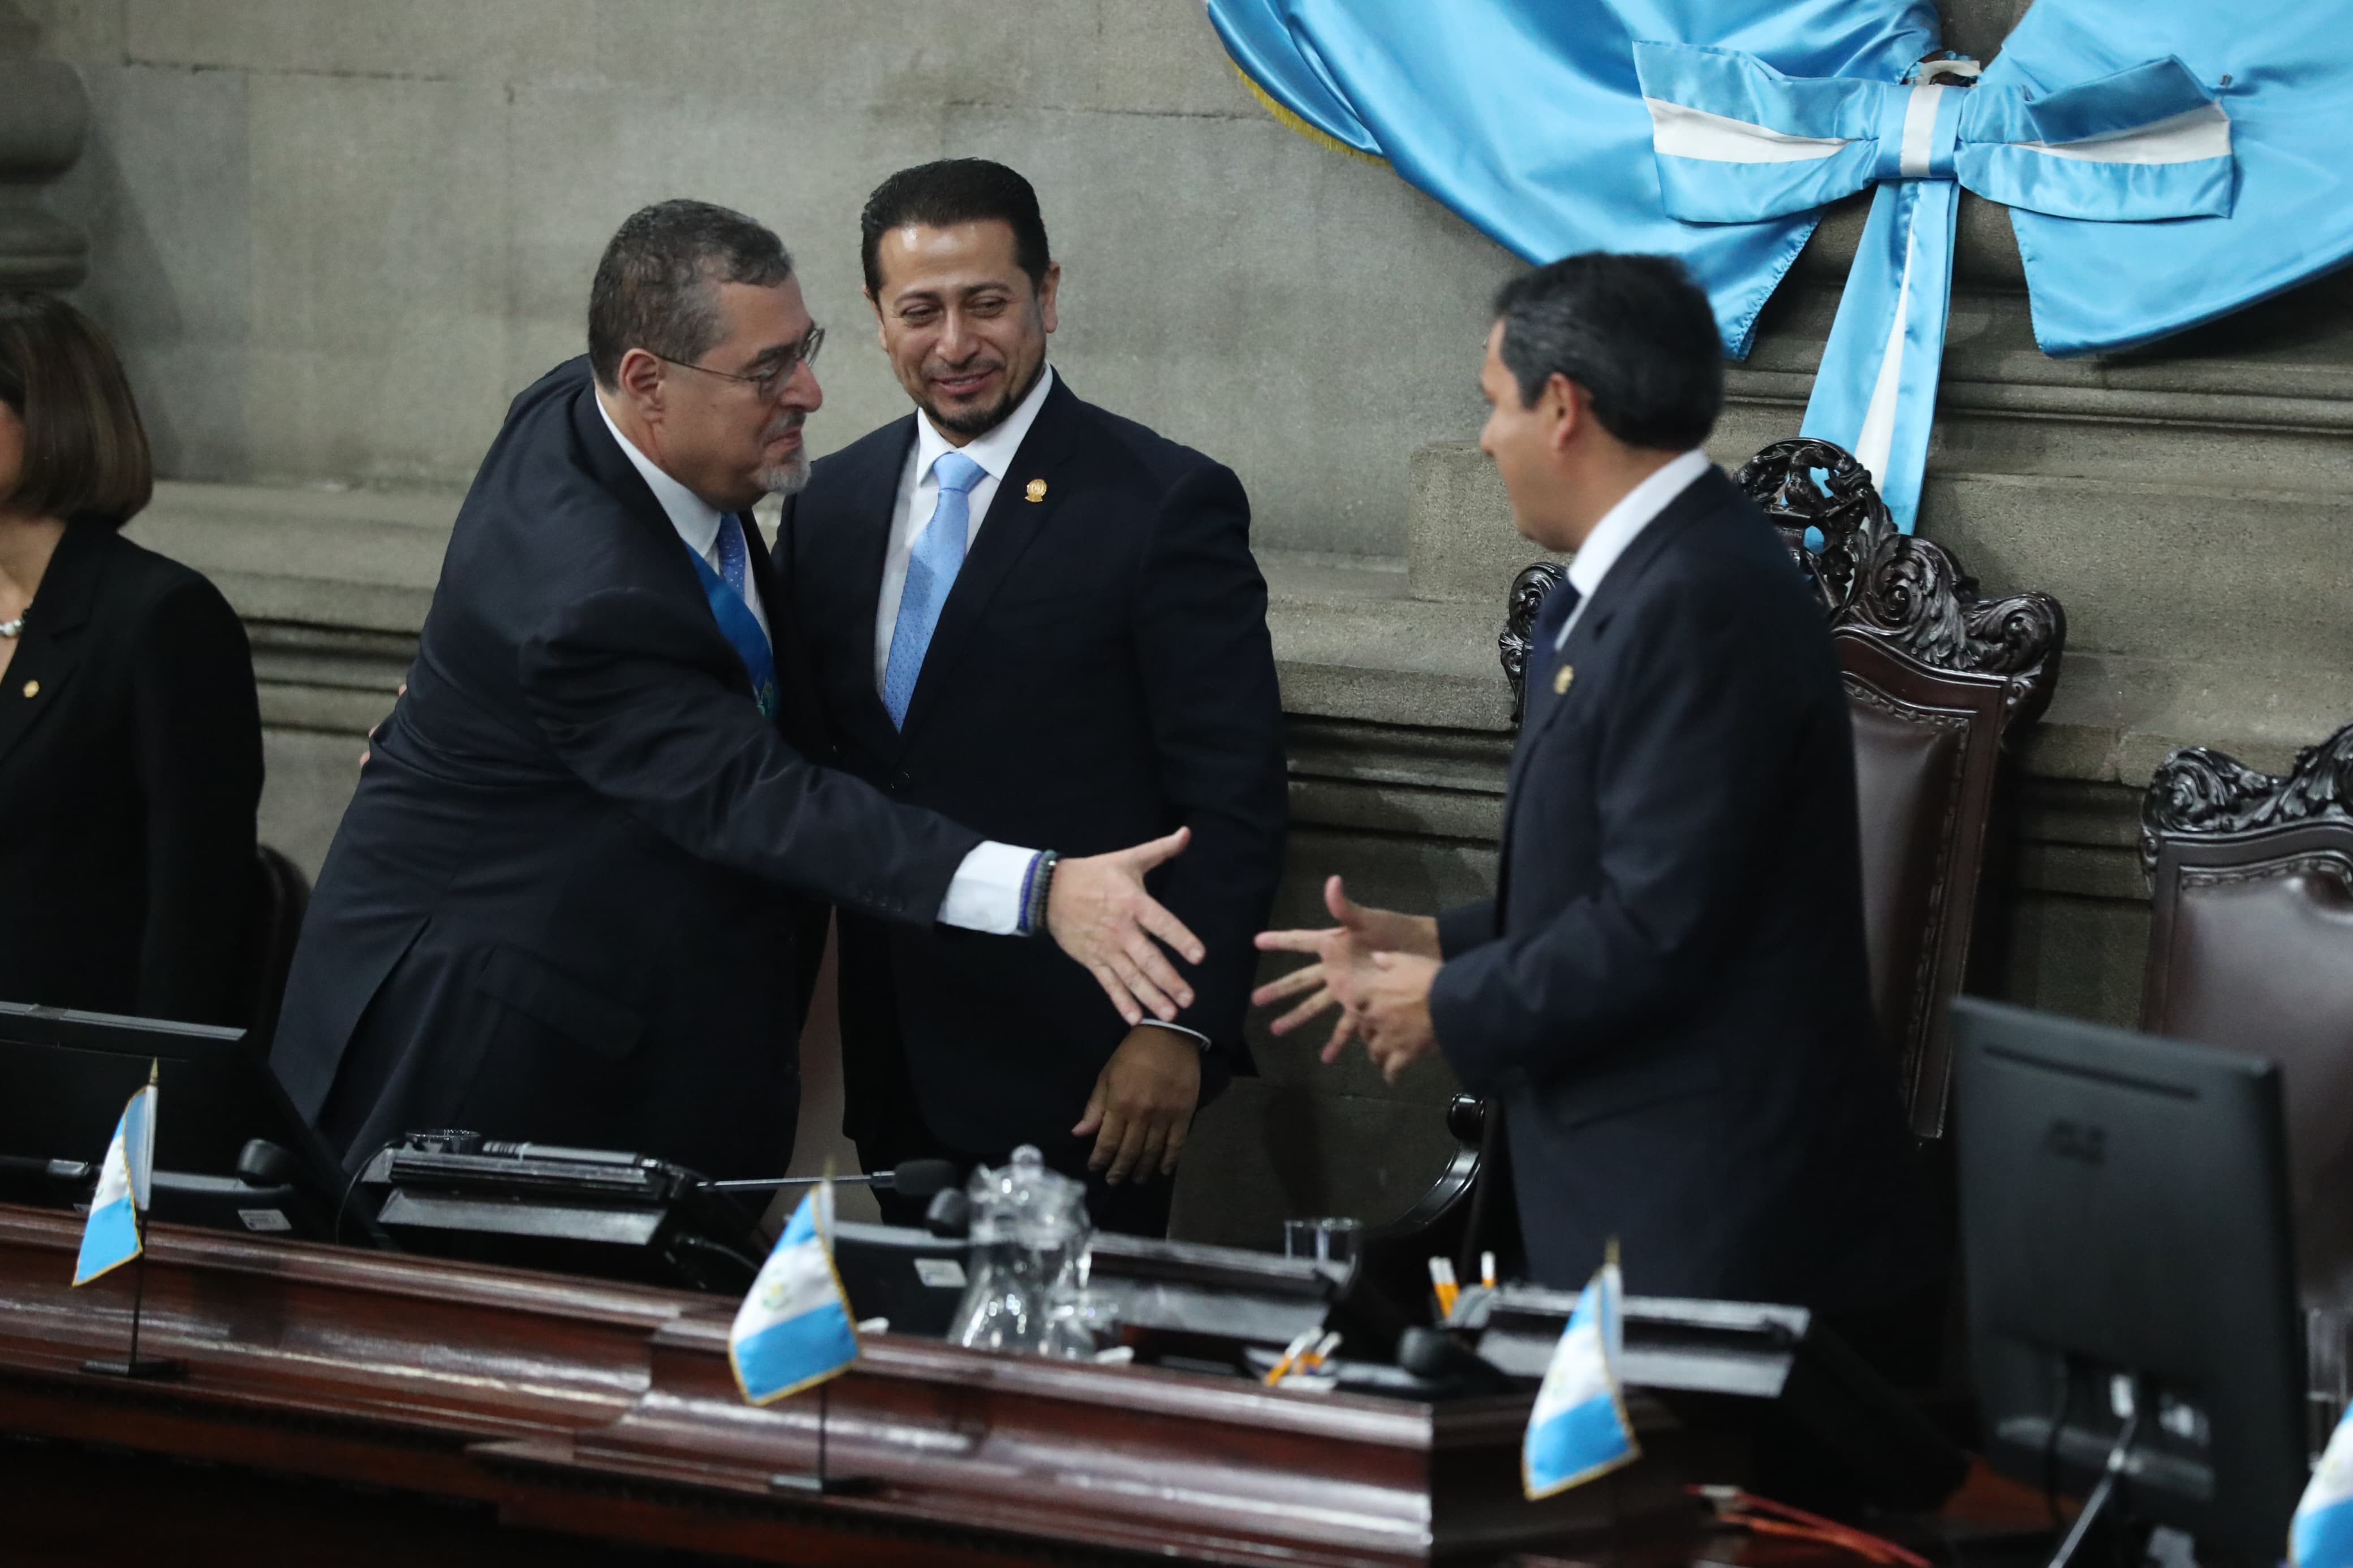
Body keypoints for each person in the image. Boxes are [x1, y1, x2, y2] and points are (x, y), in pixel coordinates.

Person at [270, 200, 1213, 1183]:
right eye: (768, 372)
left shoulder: (580, 408)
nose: (808, 391)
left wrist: (447, 704)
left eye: (801, 347)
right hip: (491, 1064)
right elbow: (760, 798)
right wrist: (1042, 889)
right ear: (647, 384)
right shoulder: (586, 601)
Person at [1254, 254, 1932, 1337]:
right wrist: (1440, 938)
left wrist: (1444, 1003)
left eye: (1493, 403)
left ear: (1562, 407)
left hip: (1707, 1224)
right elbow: (1618, 874)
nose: (1484, 439)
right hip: (1611, 1195)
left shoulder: (1703, 602)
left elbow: (1665, 928)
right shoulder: (1628, 577)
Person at [777, 161, 1286, 1234]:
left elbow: (1232, 797)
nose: (955, 342)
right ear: (876, 319)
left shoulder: (1162, 504)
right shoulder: (828, 505)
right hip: (891, 1066)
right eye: (921, 310)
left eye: (987, 303)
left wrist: (1180, 1031)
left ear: (1046, 296)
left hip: (1093, 1077)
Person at [0, 293, 261, 1027]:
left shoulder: (162, 619)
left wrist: (147, 1111)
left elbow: (198, 917)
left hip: (64, 1085)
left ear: (49, 419)